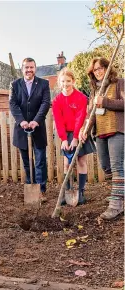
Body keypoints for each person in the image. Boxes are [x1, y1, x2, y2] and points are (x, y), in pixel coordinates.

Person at [80, 57, 124, 220]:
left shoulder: (119, 82)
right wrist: (85, 129)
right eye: (95, 70)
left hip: (117, 130)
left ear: (107, 68)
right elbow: (91, 115)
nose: (98, 72)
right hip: (100, 133)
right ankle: (119, 193)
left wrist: (104, 101)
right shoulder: (94, 91)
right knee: (106, 167)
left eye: (100, 68)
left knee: (117, 166)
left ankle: (116, 205)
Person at [52, 68, 96, 205]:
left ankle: (81, 192)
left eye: (69, 81)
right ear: (60, 82)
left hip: (80, 131)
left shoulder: (81, 98)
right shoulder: (57, 100)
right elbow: (58, 121)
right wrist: (64, 139)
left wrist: (76, 137)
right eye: (63, 81)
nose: (66, 84)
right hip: (66, 134)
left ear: (73, 81)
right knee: (66, 163)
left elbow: (80, 118)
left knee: (81, 161)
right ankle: (68, 191)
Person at [9, 57, 51, 200]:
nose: (29, 70)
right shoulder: (15, 85)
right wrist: (21, 121)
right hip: (22, 129)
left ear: (35, 68)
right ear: (22, 69)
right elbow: (13, 104)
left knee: (40, 161)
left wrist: (36, 121)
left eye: (31, 67)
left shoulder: (44, 84)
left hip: (37, 129)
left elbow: (45, 103)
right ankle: (30, 187)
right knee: (27, 162)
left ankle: (41, 190)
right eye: (26, 67)